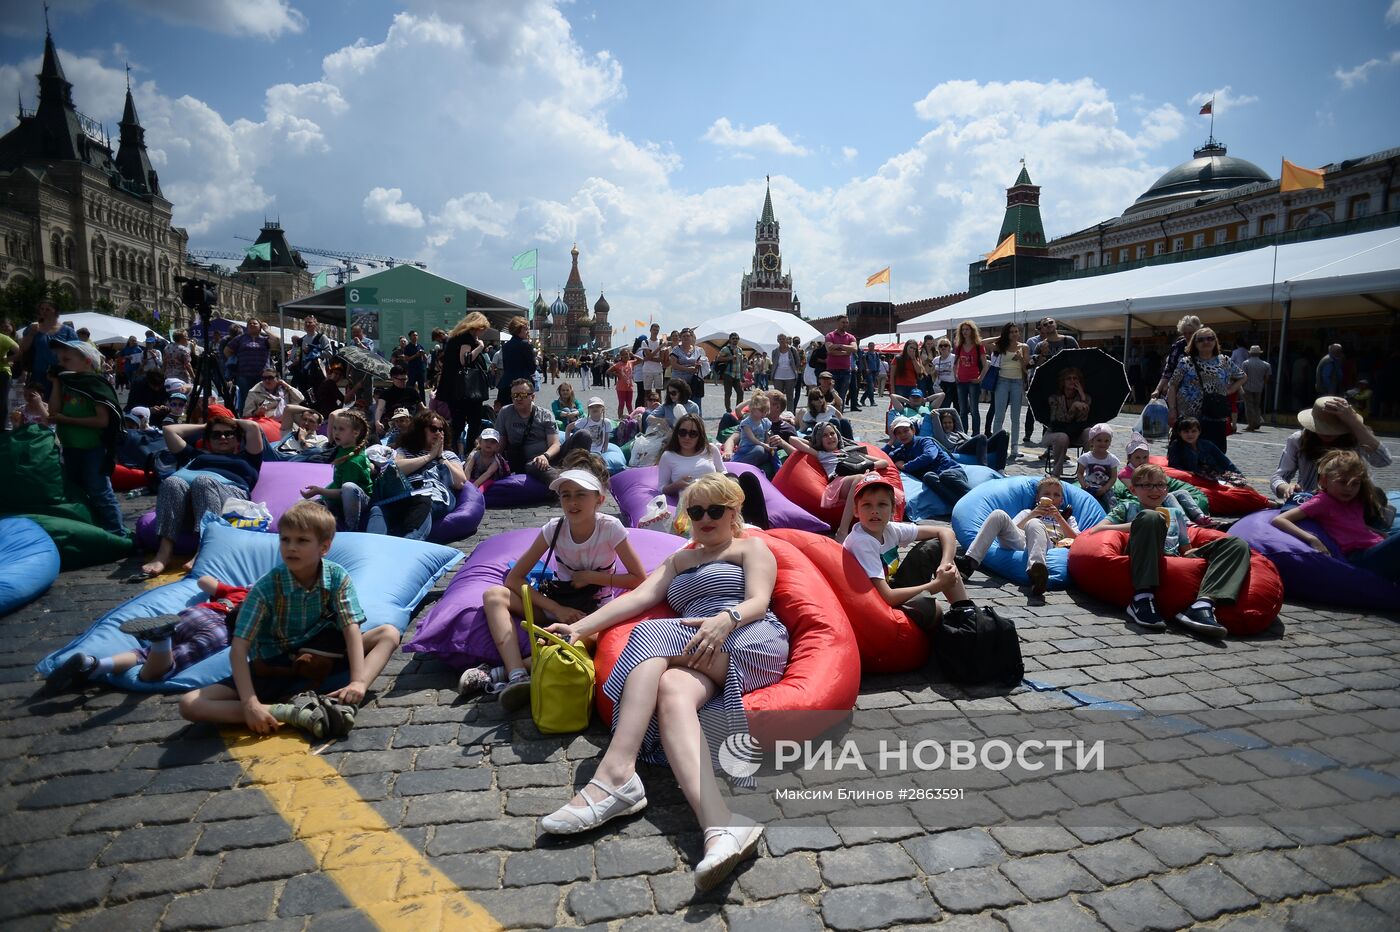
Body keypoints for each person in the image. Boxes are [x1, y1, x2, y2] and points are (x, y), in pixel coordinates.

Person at [538, 473, 786, 891]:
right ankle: (721, 824)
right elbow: (637, 598)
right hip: (695, 647)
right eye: (695, 511)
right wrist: (581, 630)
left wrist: (725, 619)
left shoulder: (750, 548)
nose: (704, 518)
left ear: (733, 512)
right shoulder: (679, 561)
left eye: (714, 510)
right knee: (671, 688)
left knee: (649, 635)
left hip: (748, 637)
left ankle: (617, 775)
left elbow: (759, 601)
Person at [177, 501, 401, 739]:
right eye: (285, 540)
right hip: (273, 667)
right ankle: (289, 712)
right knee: (190, 704)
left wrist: (358, 681)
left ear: (324, 547)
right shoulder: (265, 588)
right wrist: (250, 703)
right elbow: (239, 648)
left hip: (320, 657)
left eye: (302, 541)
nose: (291, 547)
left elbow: (351, 628)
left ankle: (349, 698)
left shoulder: (337, 576)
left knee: (389, 633)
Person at [466, 455, 646, 704]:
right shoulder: (553, 528)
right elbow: (514, 578)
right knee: (493, 595)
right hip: (557, 603)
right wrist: (556, 609)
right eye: (566, 495)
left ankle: (497, 673)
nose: (572, 502)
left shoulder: (611, 528)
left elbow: (639, 579)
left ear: (599, 500)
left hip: (593, 614)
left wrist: (592, 577)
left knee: (578, 639)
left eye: (581, 494)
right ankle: (517, 674)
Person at [1087, 464, 1248, 638]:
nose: (1155, 490)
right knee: (1151, 517)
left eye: (1160, 485)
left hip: (1173, 556)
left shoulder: (1175, 514)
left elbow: (1185, 548)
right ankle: (1142, 598)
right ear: (1133, 490)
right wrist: (1136, 525)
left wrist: (1197, 554)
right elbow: (1097, 530)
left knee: (1237, 544)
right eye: (1147, 485)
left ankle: (1202, 604)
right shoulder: (1127, 508)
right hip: (1142, 556)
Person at [46, 575, 248, 691]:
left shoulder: (241, 591)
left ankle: (93, 665)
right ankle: (161, 639)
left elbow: (203, 581)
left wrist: (223, 587)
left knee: (143, 653)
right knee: (159, 670)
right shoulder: (268, 600)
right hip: (223, 630)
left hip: (197, 613)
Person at [842, 472, 977, 629]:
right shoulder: (862, 542)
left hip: (892, 587)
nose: (874, 511)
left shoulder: (890, 529)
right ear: (856, 510)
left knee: (933, 547)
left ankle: (965, 611)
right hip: (874, 604)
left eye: (882, 504)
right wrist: (937, 585)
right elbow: (888, 597)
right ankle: (944, 640)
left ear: (893, 510)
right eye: (867, 505)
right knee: (933, 609)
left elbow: (946, 532)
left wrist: (945, 563)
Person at [140, 412, 266, 577]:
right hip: (190, 501)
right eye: (216, 435)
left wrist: (226, 422)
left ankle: (204, 551)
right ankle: (163, 554)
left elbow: (253, 427)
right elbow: (170, 431)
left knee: (203, 481)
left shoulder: (249, 458)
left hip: (228, 495)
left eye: (229, 434)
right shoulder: (195, 455)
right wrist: (206, 426)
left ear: (237, 439)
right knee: (172, 482)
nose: (223, 437)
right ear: (208, 440)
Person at [1272, 449, 1398, 578]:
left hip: (1377, 546)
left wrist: (1379, 533)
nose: (1349, 488)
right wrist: (1312, 539)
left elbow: (1352, 524)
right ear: (1324, 481)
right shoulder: (1322, 501)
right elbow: (1280, 519)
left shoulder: (1355, 501)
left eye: (1355, 483)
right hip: (1360, 556)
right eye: (1342, 482)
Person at [47, 339, 125, 536]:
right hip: (71, 447)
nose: (61, 363)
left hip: (93, 448)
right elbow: (53, 412)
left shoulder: (95, 385)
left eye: (67, 359)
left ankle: (117, 532)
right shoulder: (67, 383)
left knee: (100, 491)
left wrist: (68, 420)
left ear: (87, 361)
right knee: (77, 491)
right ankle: (90, 529)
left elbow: (102, 421)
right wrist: (56, 383)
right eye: (59, 359)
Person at [956, 476, 1079, 600]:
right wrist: (1033, 514)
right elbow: (1011, 529)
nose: (1052, 498)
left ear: (1062, 500)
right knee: (999, 514)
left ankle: (1036, 572)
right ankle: (969, 562)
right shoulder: (1027, 512)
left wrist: (1059, 518)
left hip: (1046, 547)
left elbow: (1078, 540)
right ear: (1038, 498)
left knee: (1035, 524)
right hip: (1021, 542)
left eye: (1056, 495)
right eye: (1047, 494)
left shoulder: (1068, 519)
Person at [367, 410, 467, 540]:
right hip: (405, 494)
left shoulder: (448, 456)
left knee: (423, 499)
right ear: (420, 430)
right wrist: (429, 456)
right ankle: (372, 546)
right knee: (378, 509)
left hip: (432, 496)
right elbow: (396, 468)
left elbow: (460, 482)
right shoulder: (404, 451)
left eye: (441, 430)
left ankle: (410, 542)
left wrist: (440, 457)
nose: (438, 433)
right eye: (433, 429)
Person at [1272, 396, 1392, 504]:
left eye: (1334, 428)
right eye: (1323, 427)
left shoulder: (1358, 438)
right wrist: (1286, 487)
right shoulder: (1298, 440)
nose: (1327, 433)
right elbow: (1278, 477)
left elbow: (1383, 460)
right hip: (1311, 503)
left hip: (1351, 505)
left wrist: (1355, 423)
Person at [495, 379, 591, 486]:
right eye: (514, 395)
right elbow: (500, 443)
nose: (518, 398)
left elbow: (555, 444)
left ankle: (580, 473)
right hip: (529, 462)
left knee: (584, 435)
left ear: (532, 397)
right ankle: (565, 484)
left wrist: (545, 456)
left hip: (550, 456)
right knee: (538, 465)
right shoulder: (505, 413)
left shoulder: (545, 415)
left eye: (522, 394)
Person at [1166, 326, 1245, 453]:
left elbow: (1242, 376)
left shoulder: (1224, 360)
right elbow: (1173, 385)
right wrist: (1172, 409)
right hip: (1189, 416)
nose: (1206, 342)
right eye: (1201, 340)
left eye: (1210, 338)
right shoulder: (1186, 362)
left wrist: (1231, 390)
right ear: (1194, 343)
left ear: (1215, 341)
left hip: (1214, 415)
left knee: (1213, 453)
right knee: (1186, 452)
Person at [299, 409, 373, 532]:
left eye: (341, 429)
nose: (336, 433)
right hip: (339, 495)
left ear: (355, 433)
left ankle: (351, 527)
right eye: (334, 428)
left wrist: (319, 490)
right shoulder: (345, 449)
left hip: (358, 500)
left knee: (348, 487)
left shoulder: (353, 461)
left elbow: (344, 492)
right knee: (303, 510)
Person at [1119, 433, 1214, 527]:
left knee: (1183, 492)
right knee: (1168, 496)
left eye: (1145, 457)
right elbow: (1135, 491)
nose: (1142, 461)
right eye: (1137, 458)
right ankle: (1184, 521)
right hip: (1146, 498)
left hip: (1155, 493)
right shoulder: (1126, 473)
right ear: (1129, 458)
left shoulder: (1148, 469)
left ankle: (1200, 516)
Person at [883, 415, 972, 505]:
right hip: (938, 479)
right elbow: (882, 456)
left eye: (906, 431)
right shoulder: (901, 451)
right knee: (928, 477)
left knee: (945, 475)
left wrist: (905, 466)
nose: (902, 435)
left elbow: (929, 456)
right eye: (898, 433)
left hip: (952, 473)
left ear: (913, 430)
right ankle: (959, 504)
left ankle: (974, 498)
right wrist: (891, 441)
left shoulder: (925, 441)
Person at [438, 312, 491, 456]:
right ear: (476, 326)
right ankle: (469, 454)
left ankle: (451, 452)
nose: (484, 331)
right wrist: (480, 347)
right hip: (466, 390)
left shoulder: (455, 338)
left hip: (453, 389)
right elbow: (465, 361)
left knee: (457, 423)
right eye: (483, 328)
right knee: (473, 423)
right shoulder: (466, 338)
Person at [1026, 317, 1081, 443]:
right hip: (1049, 385)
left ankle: (1063, 446)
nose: (1049, 325)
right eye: (1045, 324)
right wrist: (1042, 355)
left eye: (1051, 322)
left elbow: (1079, 360)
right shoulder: (1040, 345)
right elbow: (1034, 366)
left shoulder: (1069, 341)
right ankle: (1049, 447)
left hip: (1067, 387)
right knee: (1050, 418)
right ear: (1042, 329)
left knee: (1067, 417)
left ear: (1056, 324)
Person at [18, 300, 78, 399]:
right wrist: (31, 334)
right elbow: (23, 348)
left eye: (48, 309)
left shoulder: (68, 331)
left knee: (59, 402)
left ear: (56, 311)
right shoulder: (33, 328)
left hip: (60, 373)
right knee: (39, 401)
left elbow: (75, 351)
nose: (44, 312)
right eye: (42, 309)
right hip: (38, 373)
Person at [989, 322, 1029, 462]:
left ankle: (1014, 447)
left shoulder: (1024, 347)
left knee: (1015, 417)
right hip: (1002, 381)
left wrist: (1021, 359)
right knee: (999, 415)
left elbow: (1026, 368)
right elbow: (981, 342)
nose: (1014, 334)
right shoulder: (1001, 345)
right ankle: (995, 444)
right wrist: (1000, 337)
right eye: (1011, 331)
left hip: (1017, 382)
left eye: (1016, 331)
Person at [659, 414, 726, 497]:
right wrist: (676, 486)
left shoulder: (711, 449)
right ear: (677, 433)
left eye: (693, 433)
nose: (687, 437)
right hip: (689, 502)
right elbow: (661, 488)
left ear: (700, 435)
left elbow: (722, 471)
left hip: (714, 495)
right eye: (682, 432)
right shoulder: (668, 456)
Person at [1044, 367, 1093, 478]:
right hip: (1055, 433)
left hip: (1076, 434)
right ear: (1063, 381)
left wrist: (1082, 397)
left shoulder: (1086, 398)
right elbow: (1059, 420)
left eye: (1075, 378)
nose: (1072, 381)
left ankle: (1087, 472)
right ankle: (1056, 474)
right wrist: (1073, 408)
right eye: (1068, 378)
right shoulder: (1054, 398)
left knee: (1090, 432)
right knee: (1062, 437)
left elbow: (1083, 421)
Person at [1167, 417, 1246, 485]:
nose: (1190, 435)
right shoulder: (1176, 446)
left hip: (1215, 473)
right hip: (1198, 477)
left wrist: (1238, 473)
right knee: (1230, 487)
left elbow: (1224, 461)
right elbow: (1174, 465)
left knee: (1243, 485)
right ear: (1180, 433)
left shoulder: (1207, 444)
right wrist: (1186, 472)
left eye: (1193, 431)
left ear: (1199, 432)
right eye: (1186, 432)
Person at [224, 318, 277, 414]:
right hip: (243, 374)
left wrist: (267, 329)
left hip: (262, 375)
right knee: (245, 398)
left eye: (255, 323)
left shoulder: (265, 339)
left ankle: (262, 418)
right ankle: (245, 418)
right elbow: (227, 350)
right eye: (249, 324)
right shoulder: (240, 338)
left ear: (260, 327)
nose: (252, 325)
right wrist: (235, 361)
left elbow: (277, 340)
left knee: (263, 397)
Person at [931, 408, 1007, 470]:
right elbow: (936, 421)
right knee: (982, 437)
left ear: (953, 423)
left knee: (1003, 434)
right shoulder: (942, 435)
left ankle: (1000, 470)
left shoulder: (959, 431)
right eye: (945, 423)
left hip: (975, 446)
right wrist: (936, 413)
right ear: (941, 424)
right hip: (959, 449)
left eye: (950, 422)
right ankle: (984, 468)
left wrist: (939, 410)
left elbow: (954, 410)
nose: (947, 425)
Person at [1149, 315, 1200, 401]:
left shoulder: (1203, 345)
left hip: (1198, 392)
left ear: (1197, 331)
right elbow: (1168, 369)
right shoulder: (1177, 347)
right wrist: (1158, 389)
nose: (1187, 336)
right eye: (1185, 333)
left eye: (1190, 333)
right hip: (1177, 392)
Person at [953, 320, 989, 433]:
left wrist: (980, 378)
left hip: (973, 381)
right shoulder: (959, 346)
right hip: (961, 381)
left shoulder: (979, 346)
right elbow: (955, 363)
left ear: (972, 331)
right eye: (963, 330)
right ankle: (963, 434)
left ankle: (976, 434)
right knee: (963, 410)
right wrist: (955, 376)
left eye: (967, 329)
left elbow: (985, 365)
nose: (965, 332)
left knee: (974, 410)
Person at [496, 316, 537, 411]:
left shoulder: (505, 346)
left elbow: (506, 366)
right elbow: (532, 368)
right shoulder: (526, 345)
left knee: (506, 415)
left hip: (506, 384)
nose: (527, 331)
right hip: (522, 386)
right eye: (526, 329)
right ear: (518, 329)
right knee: (523, 414)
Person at [1076, 423, 1121, 509]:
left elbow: (1113, 477)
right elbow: (1080, 473)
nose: (1103, 443)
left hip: (1105, 488)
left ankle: (1113, 517)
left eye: (1106, 441)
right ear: (1092, 441)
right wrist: (1083, 484)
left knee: (1112, 501)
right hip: (1089, 486)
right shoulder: (1086, 457)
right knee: (1080, 500)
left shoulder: (1112, 459)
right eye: (1099, 440)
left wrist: (1105, 488)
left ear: (1110, 442)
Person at [823, 316, 858, 411]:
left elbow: (854, 349)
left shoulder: (850, 337)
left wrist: (839, 346)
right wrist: (846, 351)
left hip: (846, 371)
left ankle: (839, 417)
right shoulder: (830, 335)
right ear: (838, 323)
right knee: (830, 395)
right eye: (843, 322)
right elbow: (829, 349)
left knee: (841, 396)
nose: (845, 324)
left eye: (846, 322)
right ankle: (828, 415)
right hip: (832, 370)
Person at [669, 329, 707, 415]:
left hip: (694, 381)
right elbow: (674, 365)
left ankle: (696, 421)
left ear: (691, 338)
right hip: (679, 382)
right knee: (680, 404)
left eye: (688, 336)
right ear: (680, 338)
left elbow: (703, 361)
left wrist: (699, 365)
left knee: (695, 403)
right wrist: (689, 369)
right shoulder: (676, 349)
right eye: (684, 336)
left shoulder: (697, 350)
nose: (686, 338)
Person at [376, 365, 424, 434]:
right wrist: (377, 421)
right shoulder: (386, 393)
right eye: (401, 380)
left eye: (405, 379)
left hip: (410, 423)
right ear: (393, 378)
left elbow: (422, 407)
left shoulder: (412, 391)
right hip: (394, 425)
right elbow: (380, 408)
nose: (403, 382)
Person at [731, 391, 772, 469]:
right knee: (759, 450)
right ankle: (736, 465)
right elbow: (752, 438)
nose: (764, 414)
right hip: (746, 448)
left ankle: (778, 470)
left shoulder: (765, 421)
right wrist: (764, 445)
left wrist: (768, 446)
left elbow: (767, 436)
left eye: (766, 412)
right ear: (753, 409)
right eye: (761, 412)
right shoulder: (746, 422)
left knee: (770, 453)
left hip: (760, 447)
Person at [465, 427, 509, 491]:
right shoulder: (475, 454)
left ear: (497, 446)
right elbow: (468, 469)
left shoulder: (496, 459)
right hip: (474, 477)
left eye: (493, 442)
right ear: (480, 442)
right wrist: (466, 484)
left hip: (490, 480)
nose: (489, 443)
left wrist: (475, 484)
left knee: (485, 485)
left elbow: (489, 473)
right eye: (486, 440)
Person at [1241, 345, 1272, 431]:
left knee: (1249, 407)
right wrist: (1261, 384)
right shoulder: (1266, 365)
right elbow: (1267, 378)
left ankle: (1251, 425)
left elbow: (1243, 376)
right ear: (1259, 353)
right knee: (1257, 406)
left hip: (1247, 387)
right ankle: (1257, 422)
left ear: (1250, 353)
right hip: (1259, 388)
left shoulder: (1245, 363)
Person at [713, 332, 746, 412]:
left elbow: (740, 363)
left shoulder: (740, 349)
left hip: (737, 375)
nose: (735, 340)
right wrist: (729, 358)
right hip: (728, 374)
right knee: (728, 393)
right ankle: (728, 410)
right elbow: (718, 359)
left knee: (740, 392)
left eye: (736, 338)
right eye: (733, 338)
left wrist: (742, 374)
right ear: (730, 340)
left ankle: (738, 409)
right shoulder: (725, 349)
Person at [770, 333, 803, 410]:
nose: (782, 340)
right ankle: (777, 413)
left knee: (790, 397)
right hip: (778, 376)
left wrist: (795, 369)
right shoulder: (775, 351)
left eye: (783, 339)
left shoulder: (792, 350)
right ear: (777, 340)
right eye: (780, 339)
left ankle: (790, 414)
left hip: (790, 376)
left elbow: (798, 362)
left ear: (786, 340)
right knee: (777, 397)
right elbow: (774, 363)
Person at [638, 323, 667, 408]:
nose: (655, 332)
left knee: (658, 391)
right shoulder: (645, 342)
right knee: (647, 391)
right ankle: (647, 408)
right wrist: (658, 348)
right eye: (654, 330)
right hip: (647, 370)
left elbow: (661, 359)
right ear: (650, 330)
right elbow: (649, 356)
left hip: (658, 370)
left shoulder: (661, 341)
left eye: (657, 330)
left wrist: (648, 358)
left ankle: (659, 408)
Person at [608, 348, 637, 420]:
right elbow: (608, 371)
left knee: (629, 404)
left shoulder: (631, 363)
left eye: (626, 354)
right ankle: (620, 419)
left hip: (629, 387)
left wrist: (633, 354)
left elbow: (641, 360)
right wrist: (617, 375)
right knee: (621, 404)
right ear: (621, 356)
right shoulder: (618, 364)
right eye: (623, 355)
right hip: (621, 388)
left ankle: (632, 419)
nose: (625, 356)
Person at [931, 338, 956, 415]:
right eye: (941, 346)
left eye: (945, 345)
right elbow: (931, 372)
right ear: (938, 348)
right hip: (942, 385)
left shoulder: (954, 357)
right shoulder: (936, 360)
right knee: (943, 408)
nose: (943, 347)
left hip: (953, 384)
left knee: (957, 408)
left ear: (949, 347)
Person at [401, 330, 428, 398]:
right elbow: (406, 359)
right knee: (410, 387)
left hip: (420, 370)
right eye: (413, 335)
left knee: (421, 388)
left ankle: (423, 404)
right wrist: (416, 355)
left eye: (416, 335)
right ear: (410, 337)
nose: (415, 337)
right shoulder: (407, 347)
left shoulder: (420, 346)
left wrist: (424, 354)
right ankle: (409, 403)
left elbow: (425, 359)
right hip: (412, 370)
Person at [857, 342, 880, 407]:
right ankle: (872, 401)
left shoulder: (876, 354)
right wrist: (866, 368)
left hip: (874, 372)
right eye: (870, 346)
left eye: (873, 346)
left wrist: (878, 370)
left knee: (870, 387)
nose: (872, 347)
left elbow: (878, 362)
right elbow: (864, 362)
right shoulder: (866, 354)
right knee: (871, 386)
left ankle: (862, 399)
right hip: (868, 372)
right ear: (868, 346)